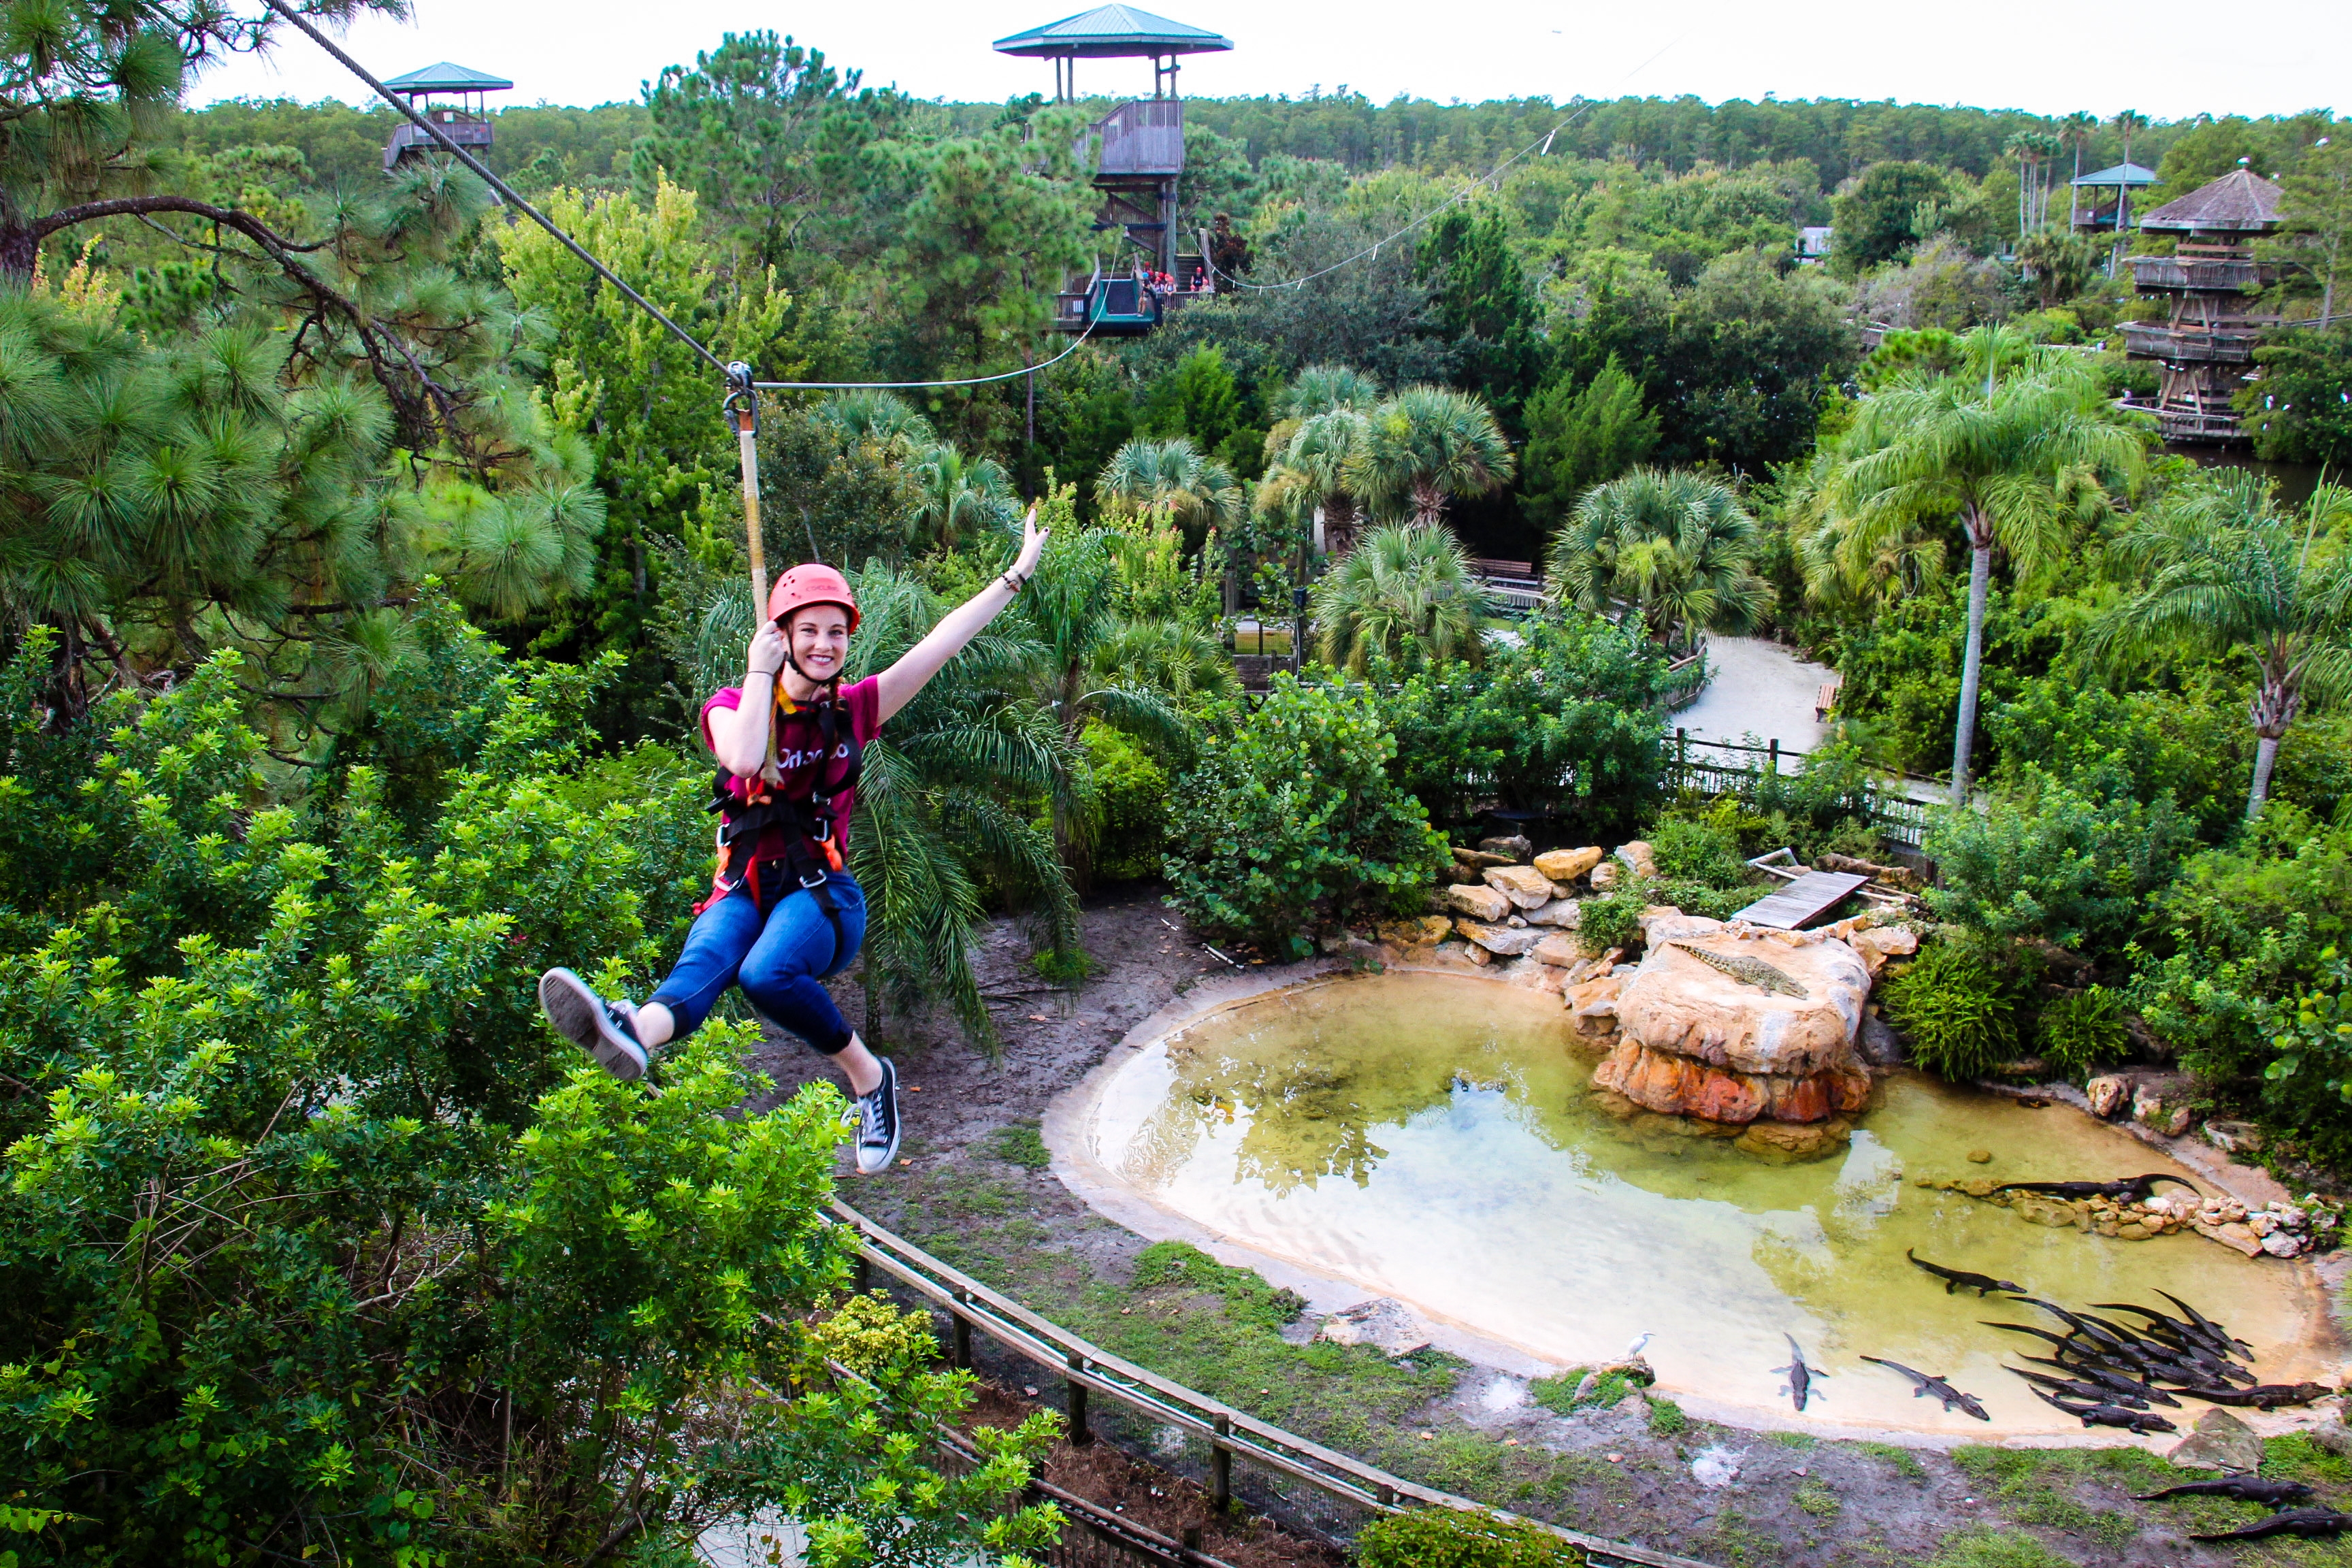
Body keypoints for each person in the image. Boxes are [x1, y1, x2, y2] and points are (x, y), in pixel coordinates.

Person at [537, 511, 1050, 1175]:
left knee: (763, 973)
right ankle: (632, 1033)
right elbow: (746, 759)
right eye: (808, 631)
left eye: (835, 633)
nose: (825, 644)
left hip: (823, 899)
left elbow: (940, 644)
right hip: (745, 889)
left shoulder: (855, 709)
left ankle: (871, 1080)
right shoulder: (730, 705)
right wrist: (759, 674)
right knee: (703, 968)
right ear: (781, 637)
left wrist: (1015, 575)